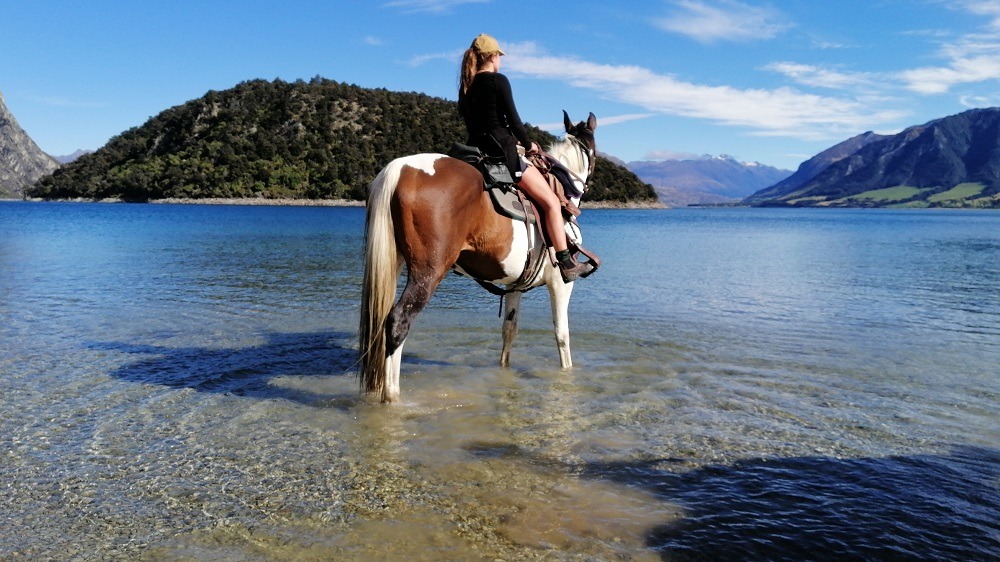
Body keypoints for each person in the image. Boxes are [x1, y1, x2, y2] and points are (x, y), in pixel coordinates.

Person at [457, 33, 594, 283]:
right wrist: (528, 143)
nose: (501, 61)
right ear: (494, 56)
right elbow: (513, 120)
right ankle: (565, 262)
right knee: (552, 202)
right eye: (499, 56)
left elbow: (484, 124)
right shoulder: (498, 81)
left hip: (476, 151)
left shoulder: (467, 87)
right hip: (503, 153)